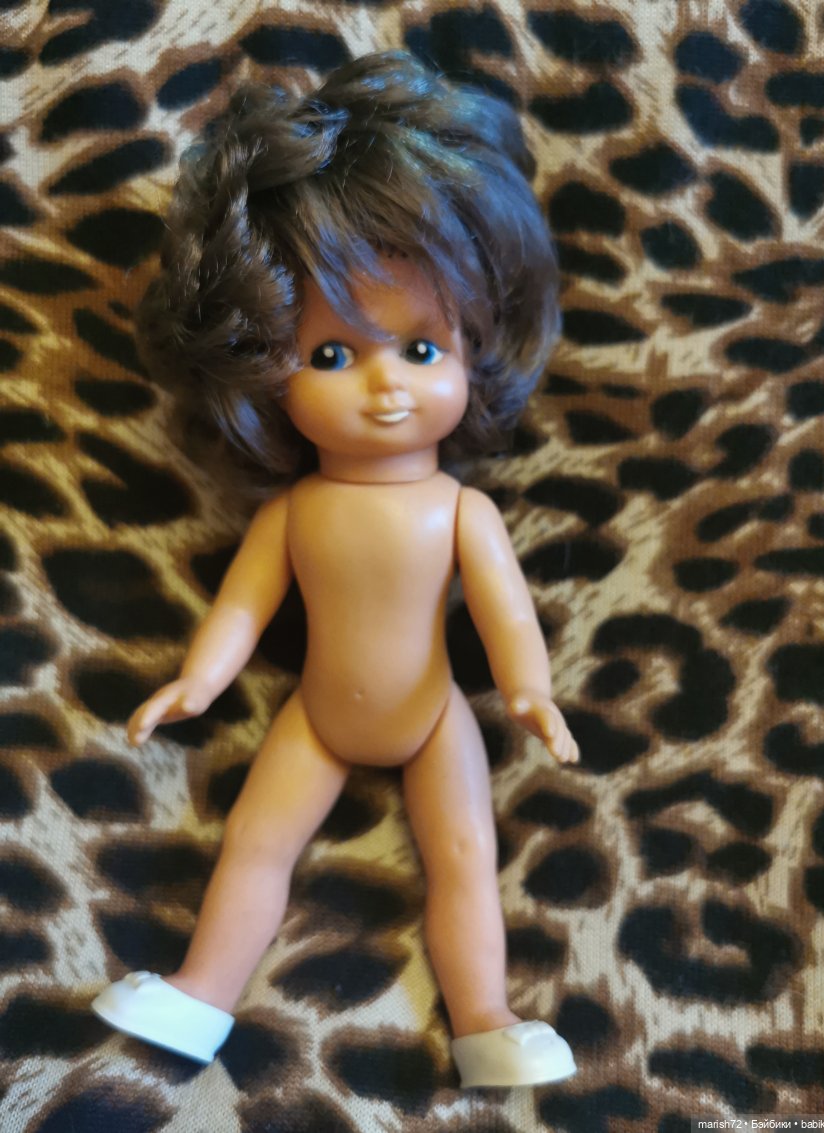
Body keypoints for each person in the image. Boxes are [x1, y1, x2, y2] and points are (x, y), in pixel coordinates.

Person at [92, 51, 580, 1089]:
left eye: (420, 349)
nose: (384, 387)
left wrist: (531, 692)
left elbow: (506, 617)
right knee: (254, 845)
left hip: (433, 716)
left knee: (464, 860)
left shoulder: (462, 509)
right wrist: (198, 681)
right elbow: (240, 608)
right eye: (330, 354)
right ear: (264, 369)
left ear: (475, 347)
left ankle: (485, 1018)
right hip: (313, 715)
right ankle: (201, 993)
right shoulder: (295, 510)